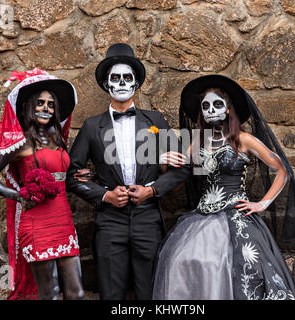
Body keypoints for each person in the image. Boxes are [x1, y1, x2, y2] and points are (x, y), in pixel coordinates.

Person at [152, 75, 295, 300]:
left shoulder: (244, 139)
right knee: (180, 261)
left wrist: (262, 203)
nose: (211, 110)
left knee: (239, 268)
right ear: (201, 112)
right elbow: (178, 183)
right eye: (205, 106)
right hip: (200, 221)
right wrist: (163, 164)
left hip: (237, 217)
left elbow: (283, 171)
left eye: (217, 104)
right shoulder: (196, 142)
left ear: (227, 109)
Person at [66, 43, 190, 300]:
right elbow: (72, 175)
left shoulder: (155, 122)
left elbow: (183, 168)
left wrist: (152, 190)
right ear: (106, 84)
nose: (121, 83)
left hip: (148, 220)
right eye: (115, 78)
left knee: (152, 291)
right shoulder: (91, 127)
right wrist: (103, 195)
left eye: (127, 78)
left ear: (136, 84)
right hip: (110, 221)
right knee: (111, 293)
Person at [0, 68, 84, 300]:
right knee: (51, 292)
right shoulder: (20, 144)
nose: (46, 108)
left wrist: (79, 176)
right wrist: (18, 195)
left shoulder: (58, 139)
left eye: (50, 104)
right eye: (40, 103)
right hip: (36, 222)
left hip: (63, 219)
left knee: (76, 293)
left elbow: (61, 172)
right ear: (27, 106)